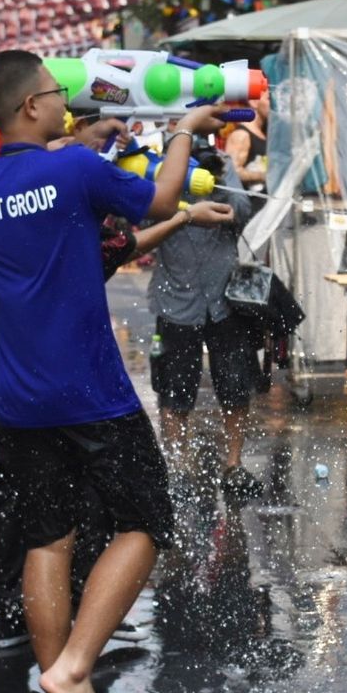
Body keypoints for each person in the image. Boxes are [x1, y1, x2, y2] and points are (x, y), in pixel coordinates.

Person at [0, 50, 230, 693]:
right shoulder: (75, 169)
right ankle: (75, 664)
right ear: (30, 106)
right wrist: (182, 129)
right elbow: (163, 198)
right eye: (57, 93)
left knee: (47, 539)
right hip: (89, 390)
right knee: (148, 520)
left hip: (18, 397)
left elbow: (46, 189)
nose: (67, 100)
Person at [0, 207, 234, 652]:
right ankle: (79, 637)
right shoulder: (68, 181)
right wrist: (181, 153)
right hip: (61, 365)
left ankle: (26, 630)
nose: (117, 133)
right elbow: (134, 228)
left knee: (40, 515)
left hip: (9, 356)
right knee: (136, 512)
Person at [147, 147, 263, 501]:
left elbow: (242, 211)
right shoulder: (163, 189)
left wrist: (225, 172)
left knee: (235, 387)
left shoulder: (223, 186)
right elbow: (142, 214)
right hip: (176, 305)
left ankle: (234, 464)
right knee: (175, 391)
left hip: (224, 303)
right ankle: (179, 468)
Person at [224, 90, 269, 215]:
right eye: (269, 99)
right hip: (251, 213)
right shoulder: (241, 135)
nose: (274, 105)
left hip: (266, 212)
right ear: (254, 102)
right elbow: (232, 173)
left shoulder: (265, 133)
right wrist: (265, 176)